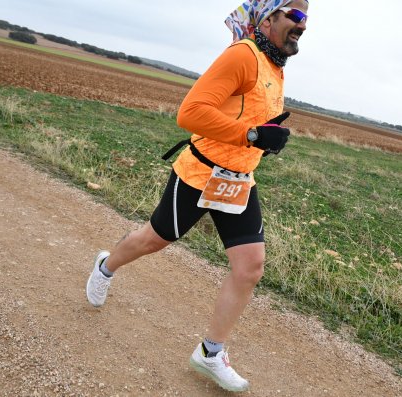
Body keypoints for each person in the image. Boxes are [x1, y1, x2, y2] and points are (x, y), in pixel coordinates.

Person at [86, 0, 308, 392]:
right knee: (154, 239)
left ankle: (210, 352)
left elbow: (246, 118)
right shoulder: (243, 55)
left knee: (250, 267)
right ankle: (106, 266)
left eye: (307, 18)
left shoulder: (275, 66)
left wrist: (267, 138)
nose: (303, 25)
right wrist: (253, 135)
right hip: (200, 172)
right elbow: (190, 113)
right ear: (269, 15)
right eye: (296, 14)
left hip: (239, 180)